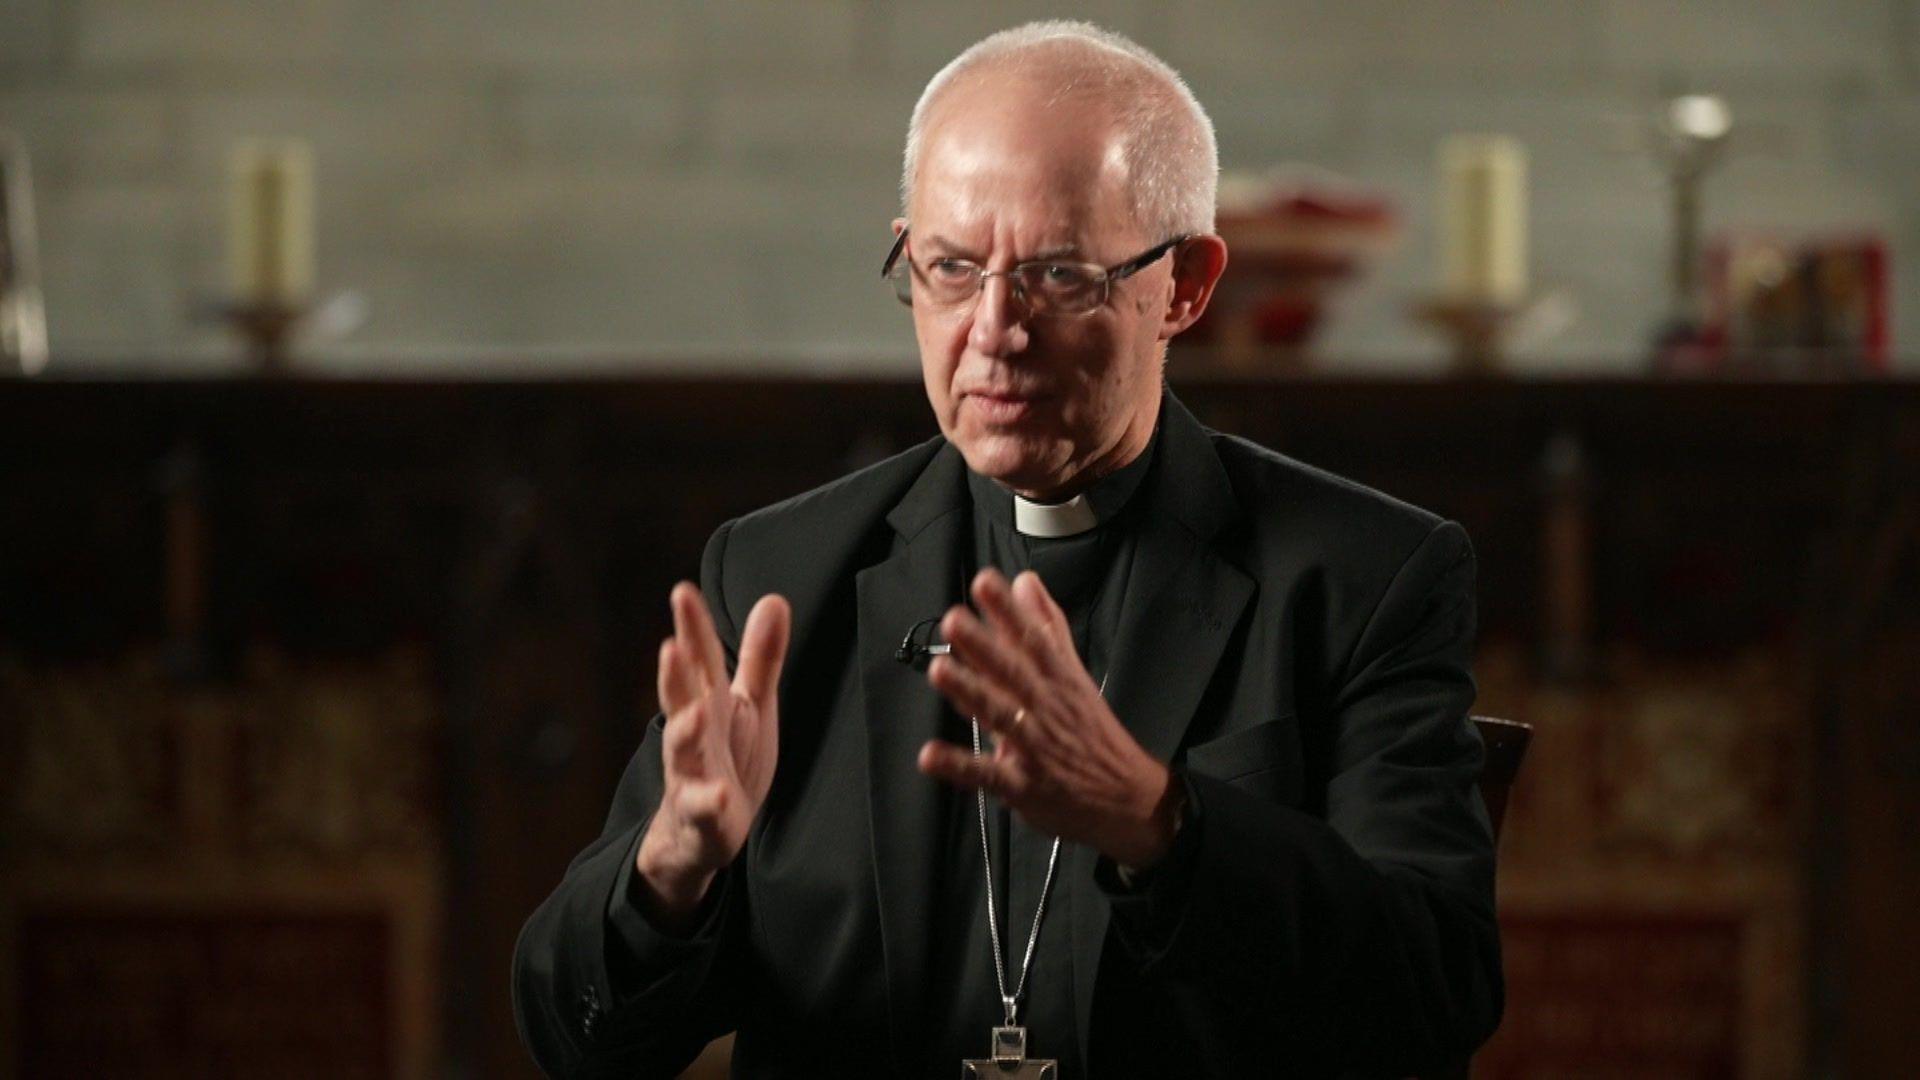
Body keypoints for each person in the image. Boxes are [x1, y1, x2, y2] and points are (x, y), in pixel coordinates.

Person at [514, 21, 1500, 1079]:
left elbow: (1432, 994)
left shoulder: (1360, 579)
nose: (994, 328)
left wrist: (1161, 823)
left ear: (1187, 285)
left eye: (1059, 276)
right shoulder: (779, 579)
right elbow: (576, 1039)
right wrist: (676, 863)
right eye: (949, 268)